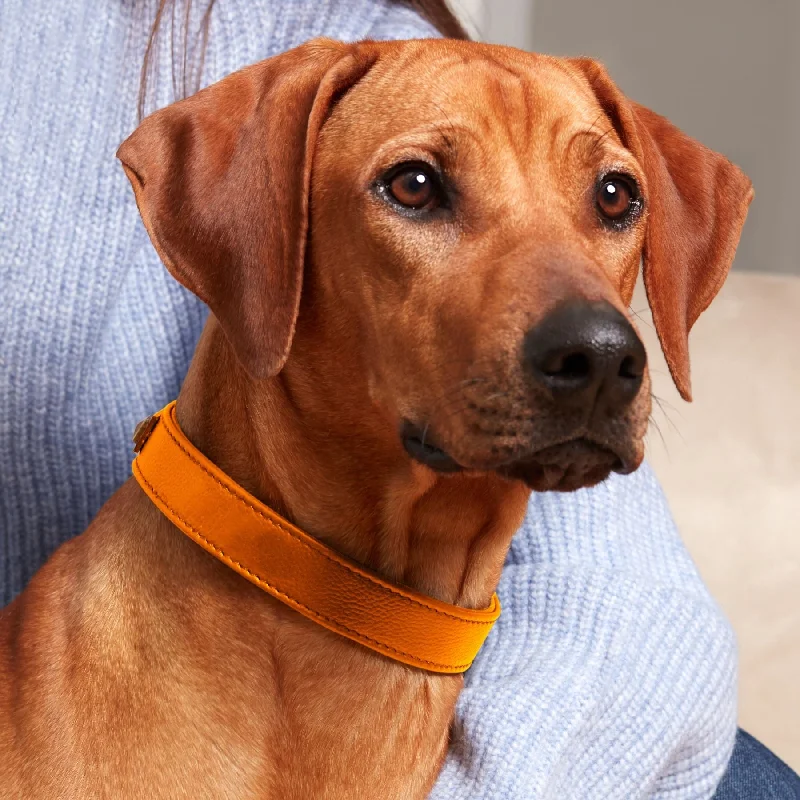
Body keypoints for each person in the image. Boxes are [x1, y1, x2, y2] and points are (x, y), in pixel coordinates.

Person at [1, 1, 797, 796]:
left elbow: (634, 607)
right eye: (418, 189)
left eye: (613, 203)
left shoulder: (347, 26)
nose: (598, 337)